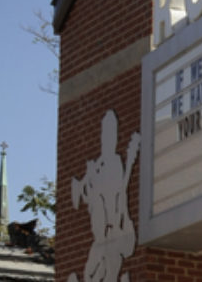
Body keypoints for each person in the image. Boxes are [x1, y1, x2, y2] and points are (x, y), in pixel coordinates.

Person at [69, 110, 141, 282]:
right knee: (89, 274)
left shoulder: (115, 162)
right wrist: (89, 180)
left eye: (111, 135)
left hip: (112, 233)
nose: (107, 140)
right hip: (101, 235)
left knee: (108, 273)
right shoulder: (98, 164)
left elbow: (118, 193)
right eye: (105, 135)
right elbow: (87, 199)